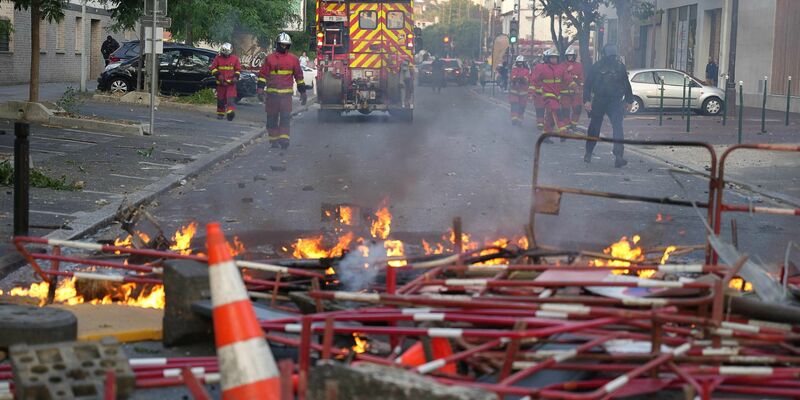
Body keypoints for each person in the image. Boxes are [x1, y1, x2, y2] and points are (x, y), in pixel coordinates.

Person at [583, 44, 634, 168]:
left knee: (599, 127)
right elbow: (626, 84)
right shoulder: (618, 66)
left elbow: (587, 85)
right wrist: (629, 100)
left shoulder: (599, 66)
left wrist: (587, 100)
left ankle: (593, 153)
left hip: (609, 101)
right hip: (609, 101)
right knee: (615, 128)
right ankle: (617, 156)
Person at [257, 32, 307, 149]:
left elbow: (299, 77)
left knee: (285, 118)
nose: (284, 47)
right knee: (272, 120)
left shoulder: (293, 59)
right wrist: (260, 90)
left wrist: (303, 93)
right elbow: (262, 75)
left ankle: (284, 139)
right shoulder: (269, 59)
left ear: (288, 46)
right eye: (282, 45)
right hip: (272, 96)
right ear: (277, 44)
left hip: (286, 97)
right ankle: (274, 140)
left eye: (286, 45)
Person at [531, 48, 571, 135]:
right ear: (547, 58)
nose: (554, 59)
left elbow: (567, 79)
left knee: (550, 117)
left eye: (555, 58)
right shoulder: (541, 68)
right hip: (547, 94)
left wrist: (574, 86)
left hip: (557, 96)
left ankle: (546, 134)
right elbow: (534, 80)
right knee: (557, 110)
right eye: (552, 57)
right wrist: (532, 91)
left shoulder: (561, 68)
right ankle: (562, 130)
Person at [210, 43, 242, 121]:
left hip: (231, 84)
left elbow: (238, 70)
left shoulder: (235, 59)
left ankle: (230, 113)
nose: (223, 54)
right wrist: (218, 75)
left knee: (230, 99)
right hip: (221, 83)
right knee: (221, 99)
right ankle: (220, 113)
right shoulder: (218, 58)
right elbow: (213, 68)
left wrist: (235, 77)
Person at [560, 46, 584, 133]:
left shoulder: (579, 66)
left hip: (576, 92)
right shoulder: (562, 65)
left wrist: (580, 86)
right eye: (568, 56)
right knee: (565, 110)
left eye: (571, 56)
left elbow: (581, 78)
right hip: (565, 92)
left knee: (577, 109)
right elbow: (560, 76)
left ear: (574, 56)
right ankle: (567, 125)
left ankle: (574, 125)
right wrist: (567, 71)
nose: (570, 57)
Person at [508, 56, 530, 126]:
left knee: (522, 107)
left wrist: (522, 79)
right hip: (514, 92)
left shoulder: (526, 71)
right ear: (516, 63)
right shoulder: (514, 70)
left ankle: (520, 120)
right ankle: (514, 119)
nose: (520, 64)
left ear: (523, 63)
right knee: (514, 105)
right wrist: (516, 79)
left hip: (524, 92)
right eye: (519, 62)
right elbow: (512, 78)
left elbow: (527, 80)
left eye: (521, 62)